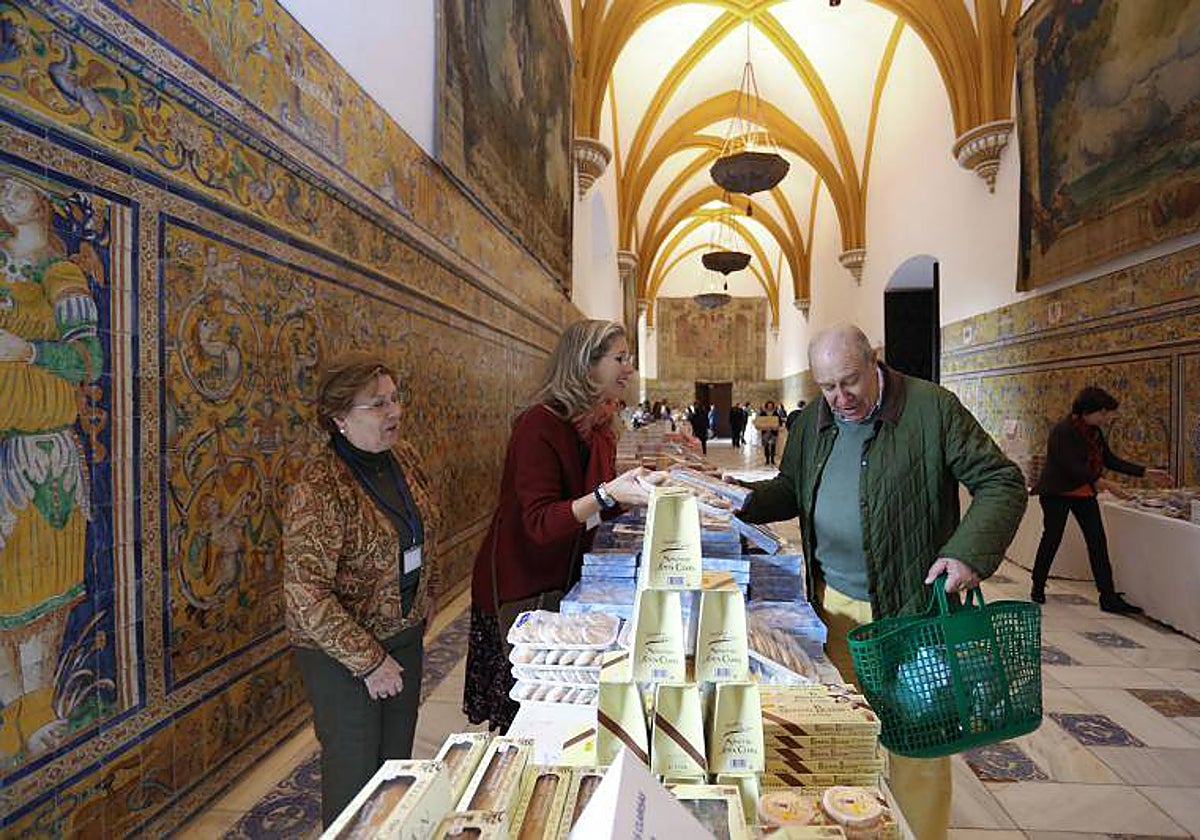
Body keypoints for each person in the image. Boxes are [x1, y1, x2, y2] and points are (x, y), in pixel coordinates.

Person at [736, 324, 1026, 840]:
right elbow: (791, 488)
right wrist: (735, 499)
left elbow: (1001, 481)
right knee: (847, 735)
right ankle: (860, 825)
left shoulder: (931, 408)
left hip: (911, 611)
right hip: (833, 608)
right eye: (827, 386)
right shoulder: (814, 421)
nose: (840, 398)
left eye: (850, 382)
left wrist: (965, 553)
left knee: (917, 738)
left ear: (874, 363)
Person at [464, 320, 657, 732]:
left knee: (563, 712)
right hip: (520, 587)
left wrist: (640, 494)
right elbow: (539, 522)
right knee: (528, 718)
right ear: (586, 365)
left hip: (564, 581)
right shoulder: (539, 425)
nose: (629, 369)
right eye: (620, 358)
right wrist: (609, 495)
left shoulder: (599, 429)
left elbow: (592, 511)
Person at [283, 353, 442, 827]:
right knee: (355, 775)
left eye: (395, 399)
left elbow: (425, 527)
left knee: (396, 770)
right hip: (342, 657)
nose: (394, 412)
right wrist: (369, 661)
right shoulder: (319, 486)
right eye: (377, 405)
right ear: (339, 418)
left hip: (403, 635)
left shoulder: (403, 457)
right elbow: (305, 594)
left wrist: (427, 592)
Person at [0, 174, 104, 763]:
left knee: (41, 588)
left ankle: (38, 707)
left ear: (42, 200)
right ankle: (10, 710)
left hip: (42, 459)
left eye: (16, 189)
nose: (5, 197)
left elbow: (88, 358)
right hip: (4, 449)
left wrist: (29, 352)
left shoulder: (60, 275)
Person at [1029, 386, 1172, 612]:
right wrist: (1105, 484)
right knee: (1052, 537)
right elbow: (1071, 467)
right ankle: (1037, 585)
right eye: (1104, 413)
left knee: (1097, 541)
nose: (1107, 418)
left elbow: (1110, 460)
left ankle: (1108, 597)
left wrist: (1146, 472)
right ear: (1087, 411)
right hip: (1057, 492)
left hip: (1083, 492)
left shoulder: (1094, 432)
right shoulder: (1062, 430)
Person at [759, 399, 782, 465]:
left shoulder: (775, 413)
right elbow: (760, 422)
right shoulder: (763, 413)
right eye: (769, 406)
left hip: (773, 432)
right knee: (766, 446)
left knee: (773, 446)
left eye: (771, 406)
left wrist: (776, 426)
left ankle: (772, 459)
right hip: (765, 432)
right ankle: (767, 460)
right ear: (767, 406)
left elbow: (779, 422)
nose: (770, 407)